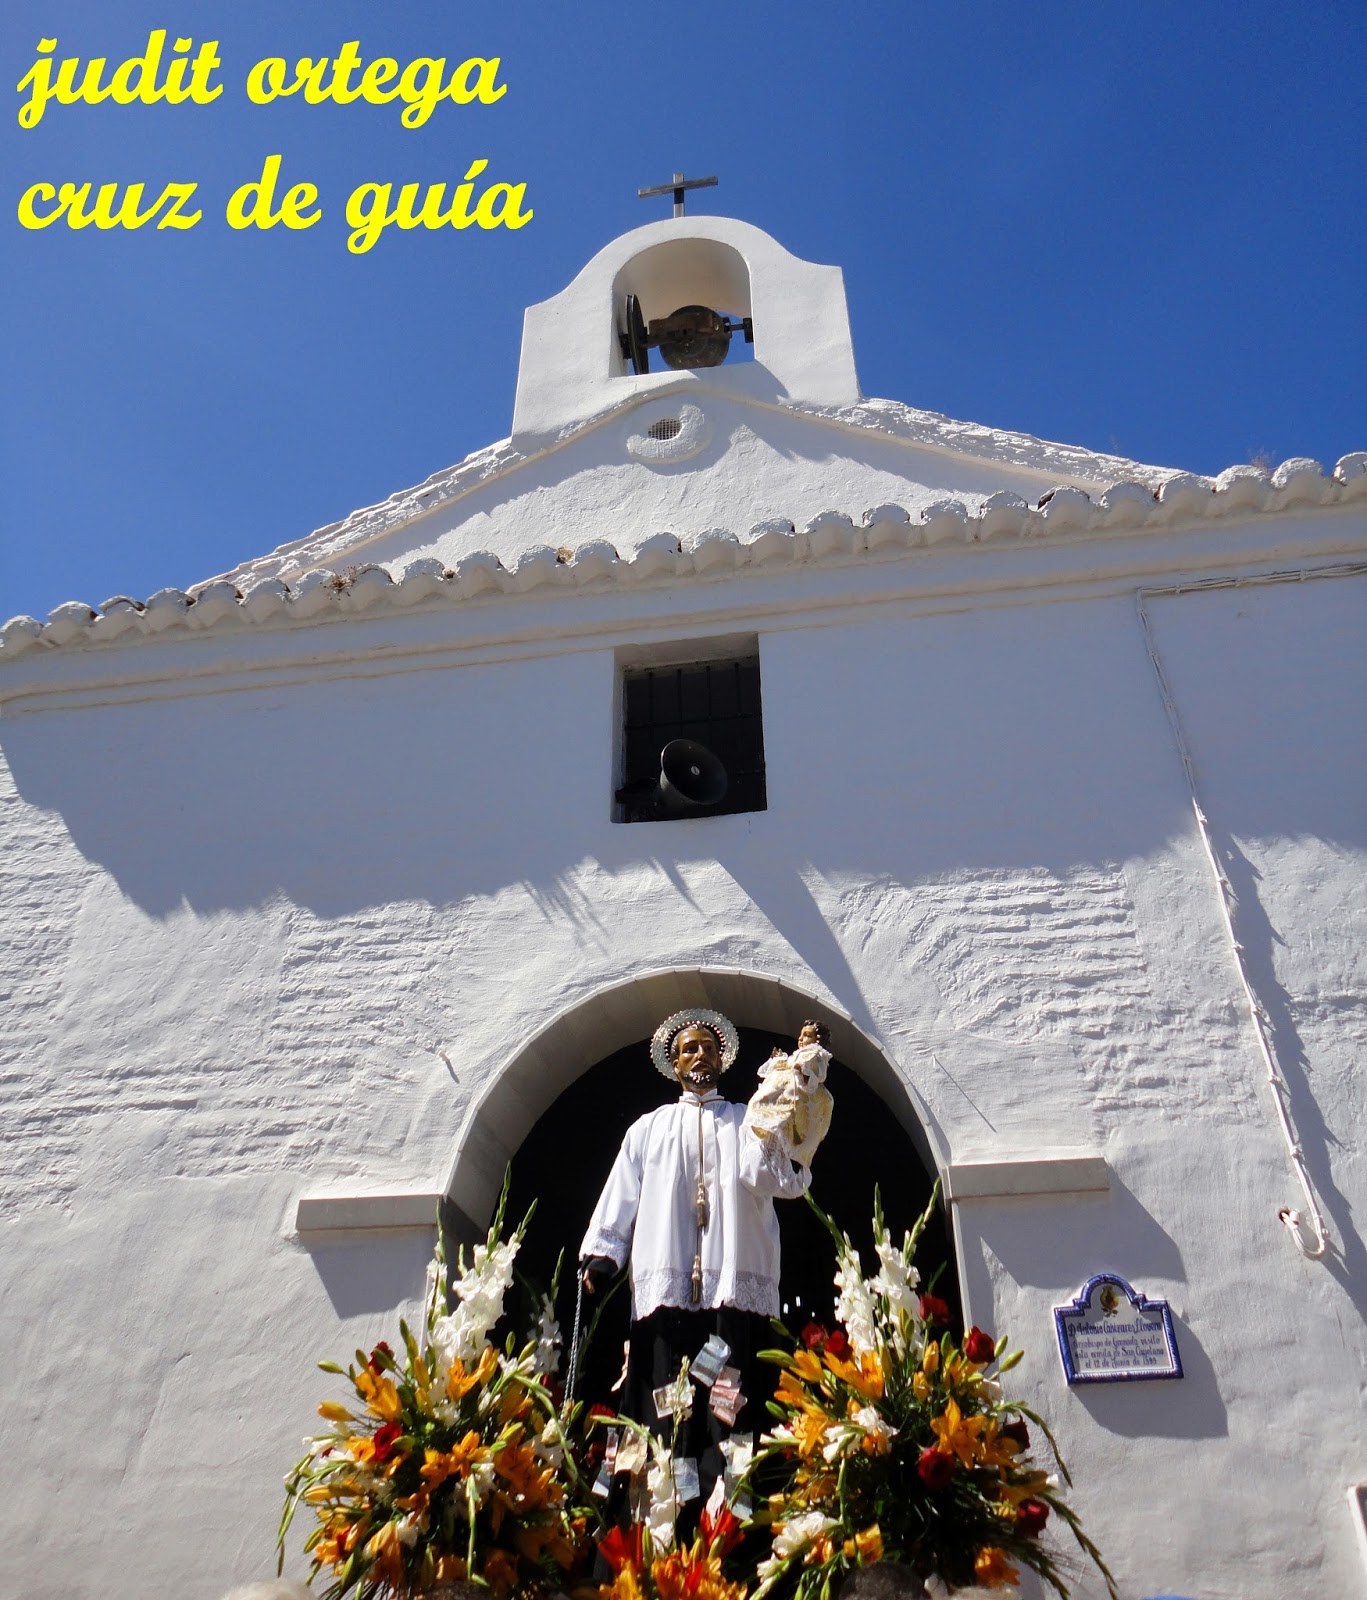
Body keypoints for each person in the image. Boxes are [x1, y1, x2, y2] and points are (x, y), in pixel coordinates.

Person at [578, 1008, 821, 1523]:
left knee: (730, 1404)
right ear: (673, 1061)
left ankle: (729, 1521)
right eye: (688, 1049)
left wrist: (790, 1090)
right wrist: (603, 1257)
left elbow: (771, 1178)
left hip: (730, 1285)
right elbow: (622, 1194)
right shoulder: (647, 1129)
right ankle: (658, 1521)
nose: (698, 1056)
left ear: (723, 1059)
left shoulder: (743, 1119)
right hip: (666, 1290)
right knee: (664, 1403)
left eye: (708, 1048)